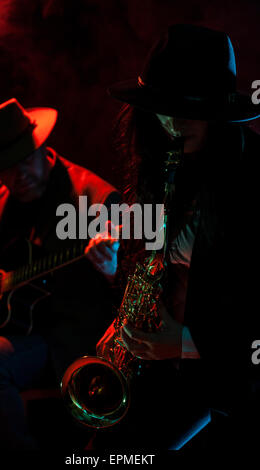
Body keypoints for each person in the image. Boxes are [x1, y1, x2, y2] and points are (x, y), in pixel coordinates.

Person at [86, 24, 260, 449]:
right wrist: (123, 319)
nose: (171, 122)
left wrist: (186, 344)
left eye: (188, 108)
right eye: (162, 107)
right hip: (162, 369)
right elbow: (148, 267)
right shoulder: (158, 163)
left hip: (227, 386)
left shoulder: (254, 180)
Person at [0, 97, 120, 450]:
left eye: (25, 160)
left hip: (70, 338)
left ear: (42, 146)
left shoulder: (93, 201)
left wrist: (111, 271)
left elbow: (133, 290)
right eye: (5, 167)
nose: (19, 176)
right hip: (8, 327)